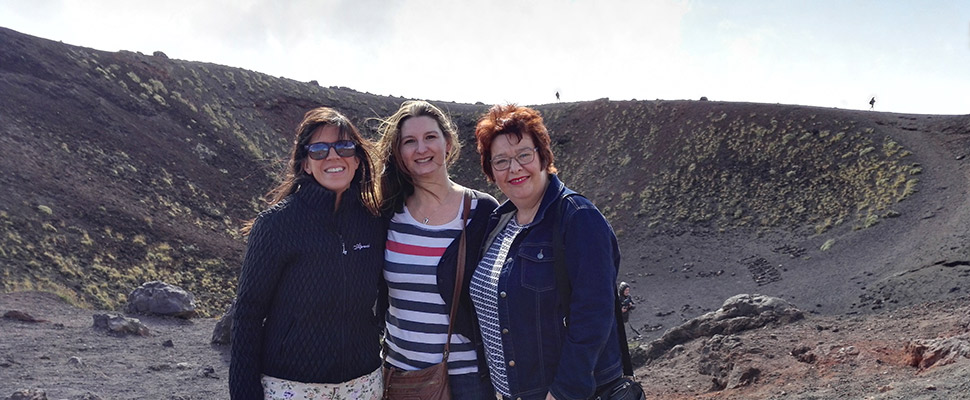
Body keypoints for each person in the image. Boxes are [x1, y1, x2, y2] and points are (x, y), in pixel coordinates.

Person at [230, 107, 386, 399]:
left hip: (364, 385)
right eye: (318, 150)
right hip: (291, 387)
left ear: (356, 159)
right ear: (305, 164)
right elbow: (247, 316)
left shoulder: (374, 222)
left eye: (344, 146)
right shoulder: (276, 225)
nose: (333, 156)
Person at [470, 104, 623, 400]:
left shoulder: (577, 217)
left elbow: (594, 315)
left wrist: (563, 392)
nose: (514, 168)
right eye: (500, 161)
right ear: (491, 170)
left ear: (542, 155)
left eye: (523, 155)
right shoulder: (498, 224)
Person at [376, 100, 498, 399]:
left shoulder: (481, 211)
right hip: (402, 378)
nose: (421, 149)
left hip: (467, 381)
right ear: (399, 153)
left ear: (448, 142)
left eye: (430, 137)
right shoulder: (386, 214)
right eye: (409, 141)